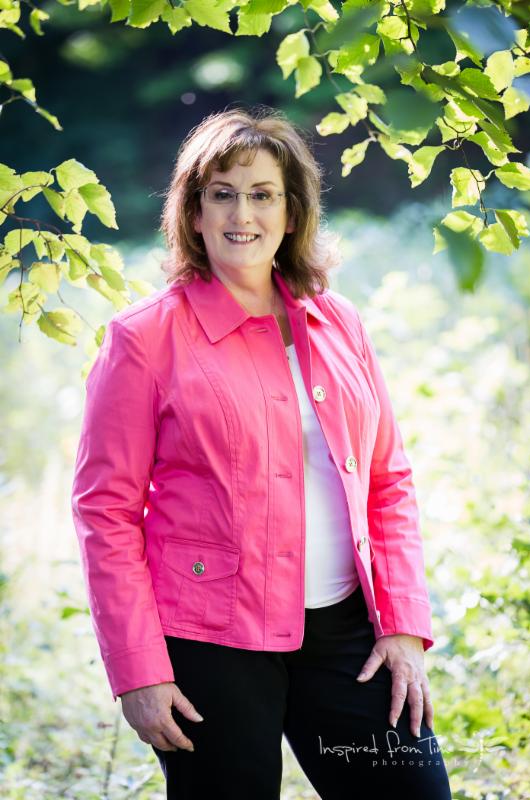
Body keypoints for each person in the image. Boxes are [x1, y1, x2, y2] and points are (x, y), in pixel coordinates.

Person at [71, 105, 452, 799]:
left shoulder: (338, 321)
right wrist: (139, 670)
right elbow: (106, 512)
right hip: (209, 644)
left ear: (291, 210)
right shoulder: (143, 339)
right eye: (221, 194)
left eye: (261, 194)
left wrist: (402, 626)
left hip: (347, 634)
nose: (240, 214)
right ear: (192, 213)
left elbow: (386, 481)